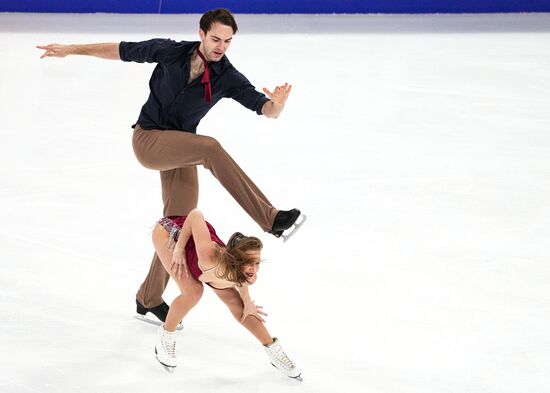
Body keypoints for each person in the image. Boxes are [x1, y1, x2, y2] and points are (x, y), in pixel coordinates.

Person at [36, 8, 306, 323]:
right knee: (210, 148)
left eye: (228, 41)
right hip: (149, 140)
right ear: (201, 33)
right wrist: (72, 50)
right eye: (216, 38)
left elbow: (265, 109)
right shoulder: (171, 50)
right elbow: (121, 50)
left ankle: (148, 297)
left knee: (179, 228)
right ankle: (269, 218)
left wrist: (278, 104)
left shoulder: (226, 76)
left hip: (180, 150)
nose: (221, 46)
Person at [151, 208, 302, 380]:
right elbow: (195, 214)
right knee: (194, 292)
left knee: (243, 309)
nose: (254, 268)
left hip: (211, 267)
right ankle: (166, 336)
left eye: (257, 262)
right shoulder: (209, 259)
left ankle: (274, 351)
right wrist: (178, 248)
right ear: (235, 262)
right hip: (171, 233)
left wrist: (247, 302)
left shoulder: (247, 274)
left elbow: (243, 282)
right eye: (248, 263)